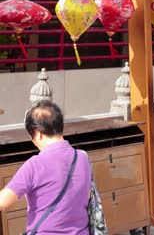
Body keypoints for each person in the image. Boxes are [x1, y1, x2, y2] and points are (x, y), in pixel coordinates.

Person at [0, 100, 91, 234]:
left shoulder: (35, 165)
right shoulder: (82, 158)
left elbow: (2, 201)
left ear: (38, 133)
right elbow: (86, 196)